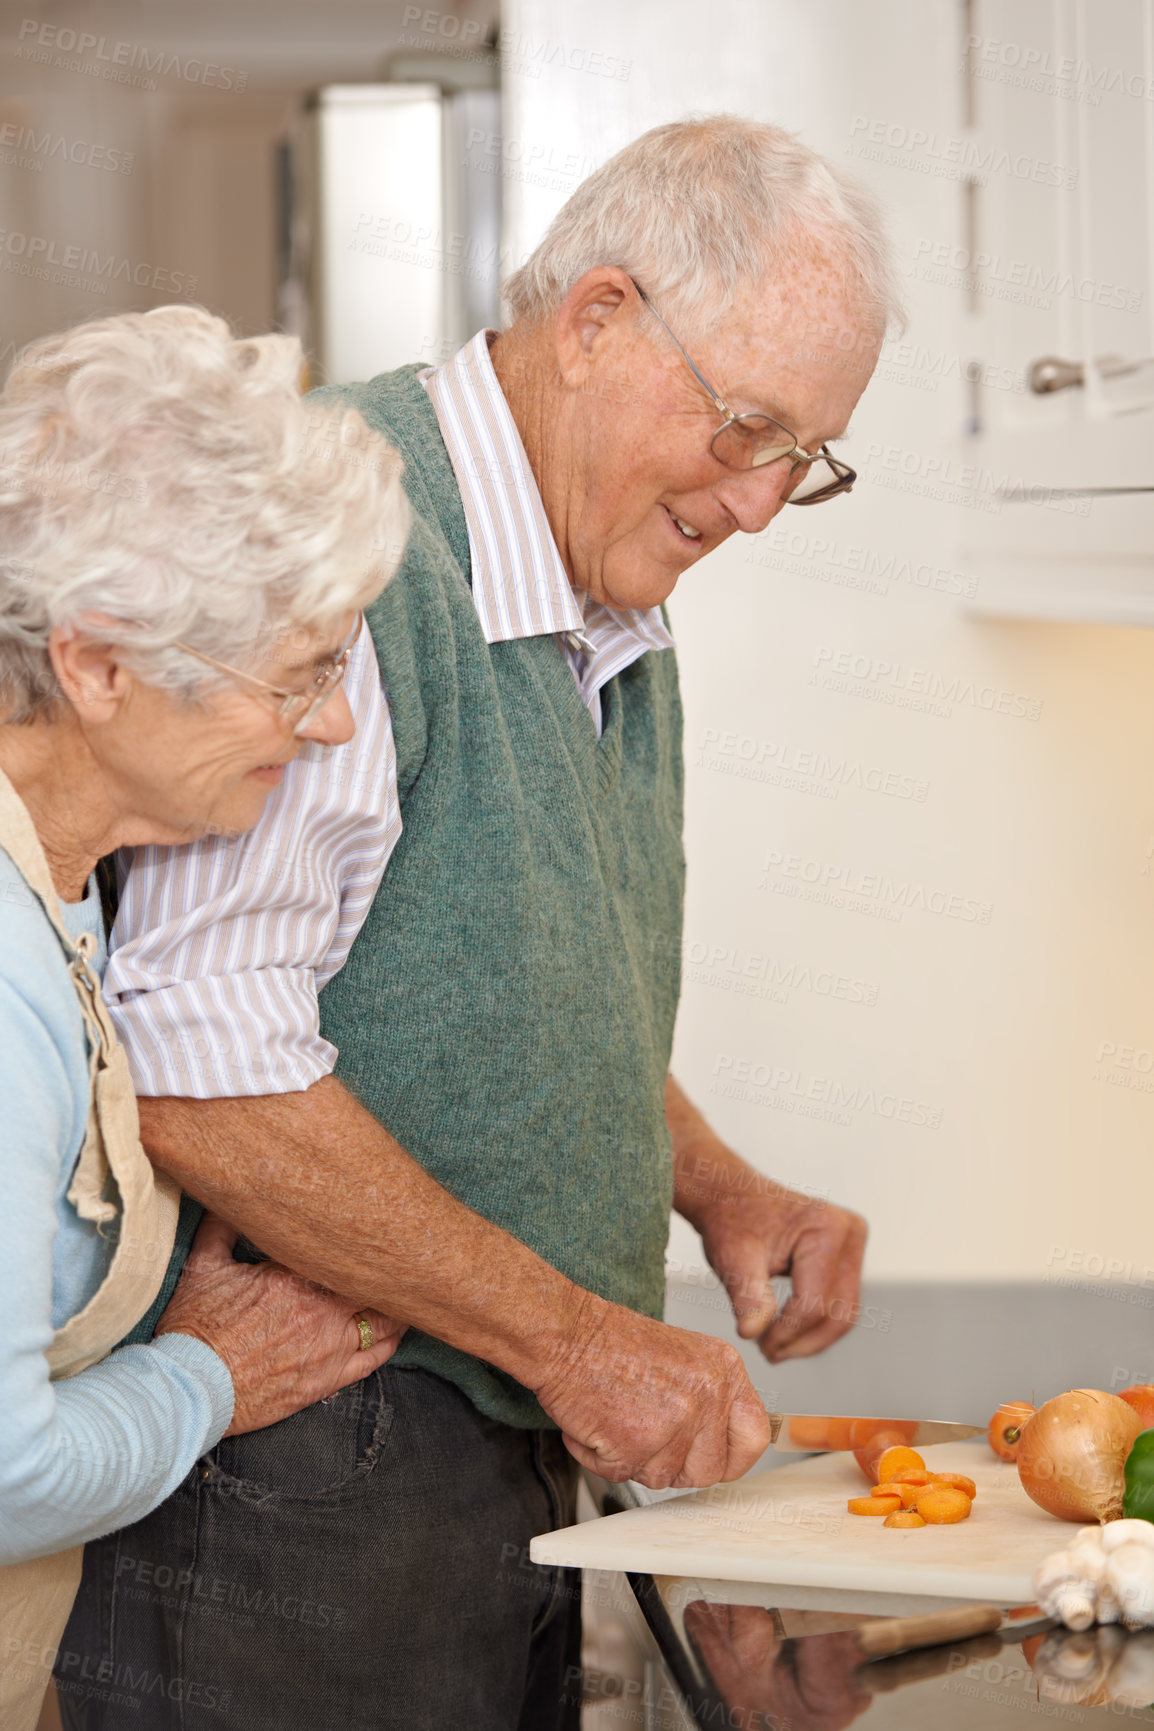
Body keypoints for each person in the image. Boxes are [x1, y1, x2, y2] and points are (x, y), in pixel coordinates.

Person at [61, 116, 899, 1730]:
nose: (759, 504)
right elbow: (200, 1054)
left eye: (806, 456)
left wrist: (710, 1183)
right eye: (746, 430)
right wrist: (579, 1343)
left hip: (485, 1438)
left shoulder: (605, 589)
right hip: (320, 1461)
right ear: (594, 322)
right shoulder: (343, 551)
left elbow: (510, 966)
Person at [0, 305, 410, 1730]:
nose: (333, 730)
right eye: (299, 679)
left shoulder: (68, 893)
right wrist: (210, 1380)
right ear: (99, 664)